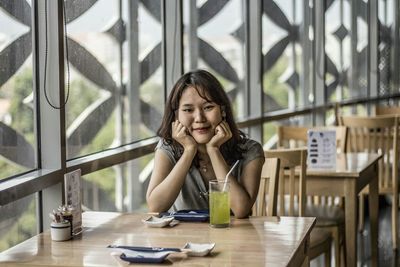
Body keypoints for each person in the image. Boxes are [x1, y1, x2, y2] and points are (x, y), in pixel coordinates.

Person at [146, 69, 265, 218]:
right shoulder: (168, 147)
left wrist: (213, 150)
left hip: (231, 237)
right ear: (176, 115)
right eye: (188, 109)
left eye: (208, 107)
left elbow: (241, 210)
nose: (199, 118)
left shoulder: (250, 150)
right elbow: (155, 207)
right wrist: (189, 151)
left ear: (223, 110)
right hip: (183, 239)